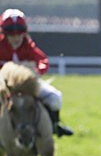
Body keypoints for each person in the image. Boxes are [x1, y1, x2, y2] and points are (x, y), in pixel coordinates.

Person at [0, 8, 73, 137]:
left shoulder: (28, 45)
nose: (16, 37)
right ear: (4, 33)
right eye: (11, 33)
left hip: (27, 84)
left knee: (55, 98)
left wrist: (38, 71)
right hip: (4, 86)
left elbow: (42, 60)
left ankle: (55, 125)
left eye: (19, 33)